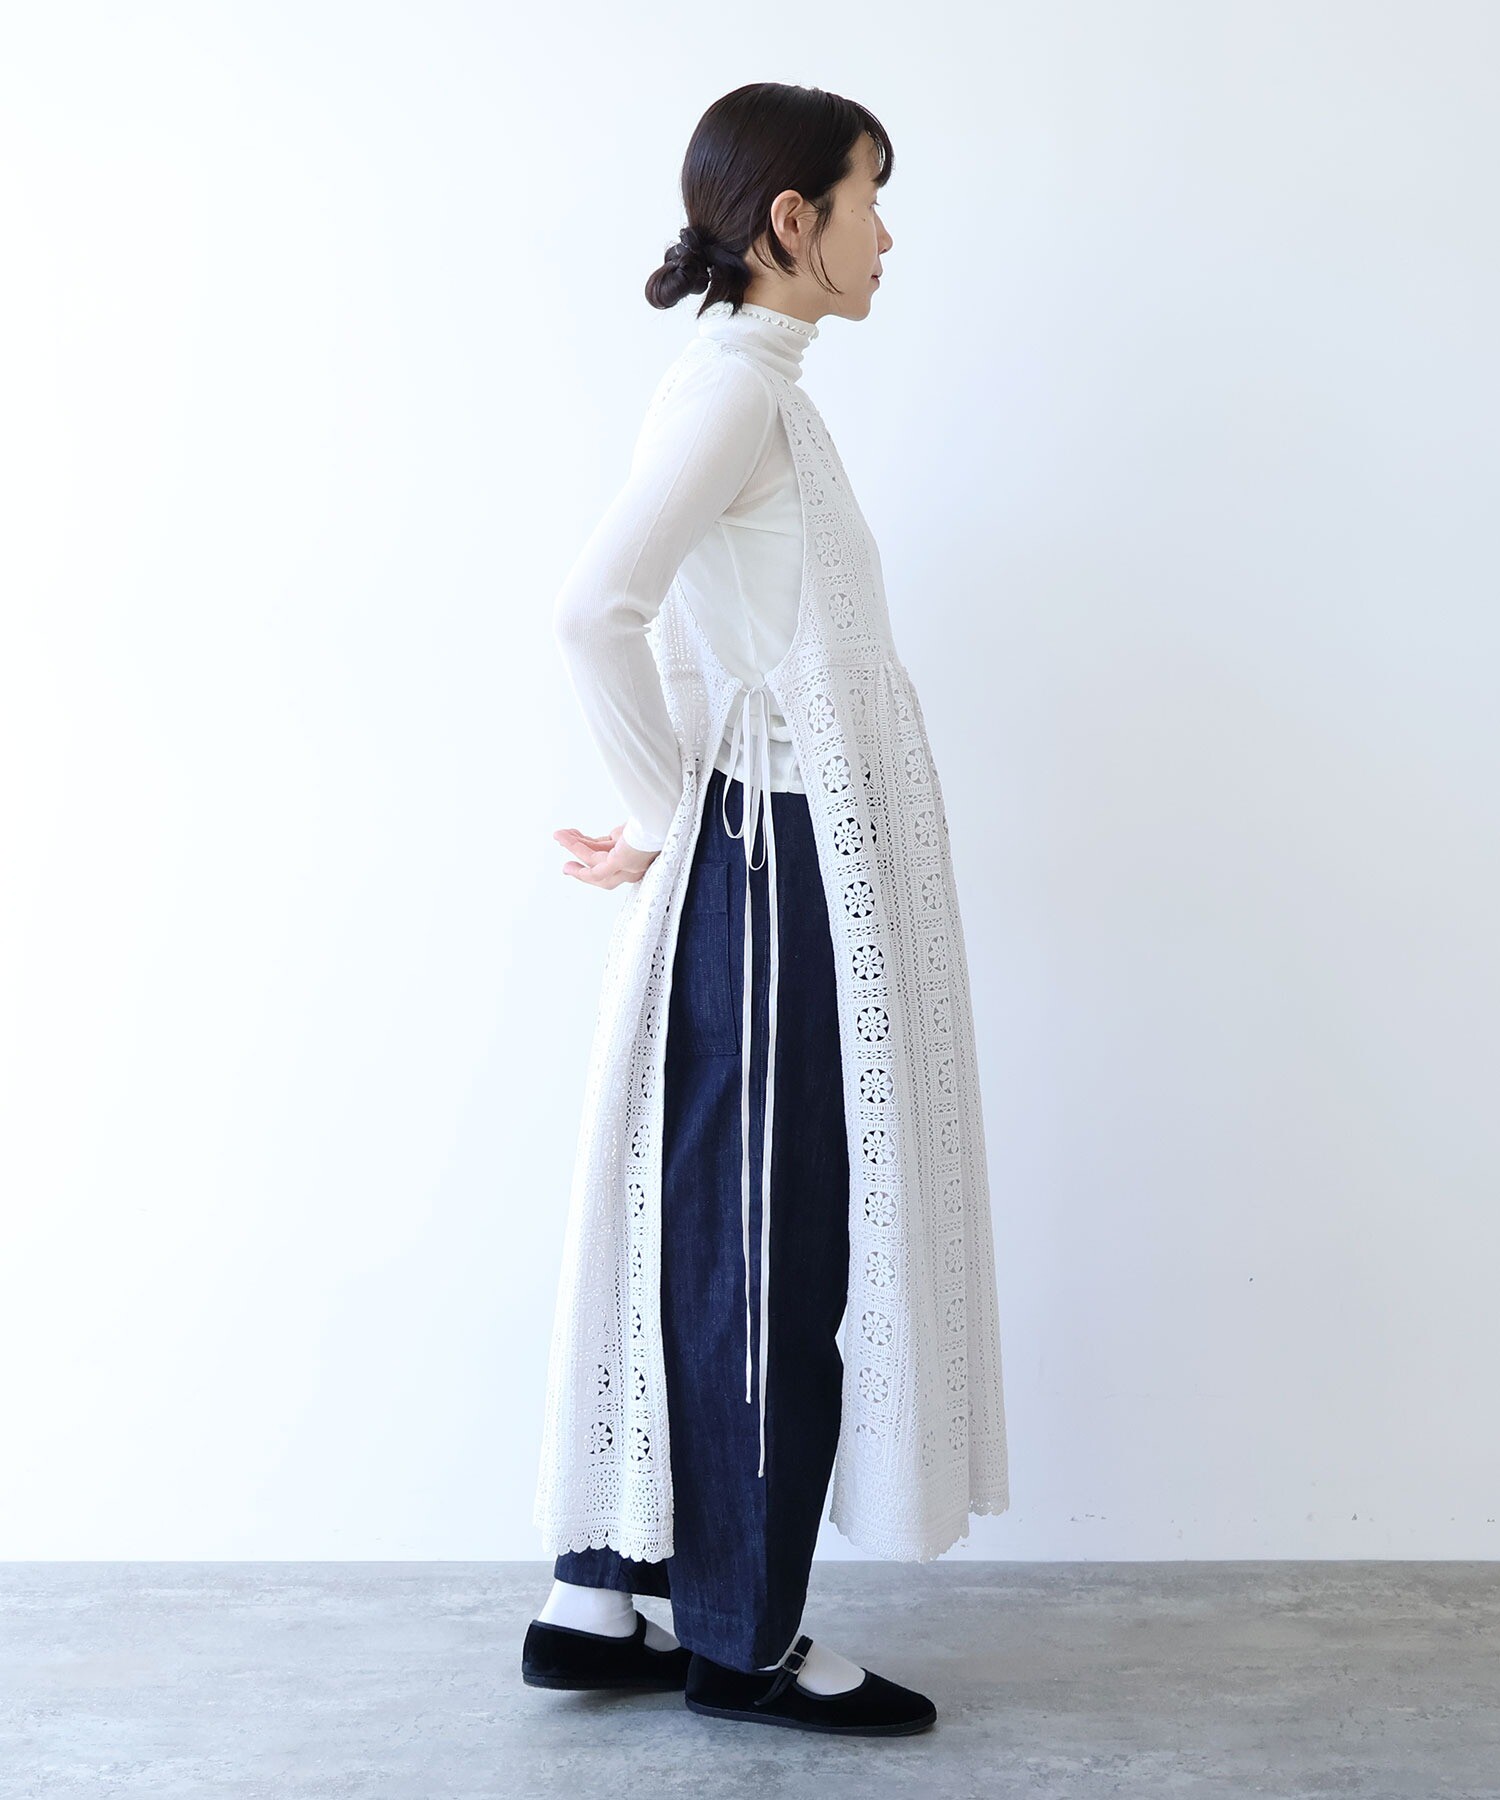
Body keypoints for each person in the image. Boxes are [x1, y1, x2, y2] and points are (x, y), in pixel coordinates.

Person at [524, 81, 1008, 1737]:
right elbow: (596, 610)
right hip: (774, 865)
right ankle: (740, 1640)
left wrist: (671, 816)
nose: (889, 233)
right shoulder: (737, 389)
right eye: (871, 196)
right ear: (792, 220)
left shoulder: (750, 389)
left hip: (771, 858)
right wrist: (683, 824)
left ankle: (604, 1598)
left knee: (707, 1219)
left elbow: (691, 632)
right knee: (769, 1244)